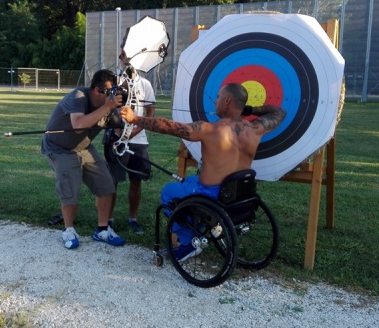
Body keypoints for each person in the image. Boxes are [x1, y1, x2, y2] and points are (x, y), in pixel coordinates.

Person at [119, 82, 286, 259]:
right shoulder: (255, 128)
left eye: (219, 98)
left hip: (211, 196)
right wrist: (250, 109)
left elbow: (167, 126)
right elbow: (279, 113)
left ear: (227, 101)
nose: (215, 102)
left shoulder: (209, 129)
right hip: (237, 195)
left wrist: (135, 119)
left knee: (168, 192)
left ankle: (189, 241)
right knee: (189, 180)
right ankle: (205, 225)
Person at [41, 69, 126, 249]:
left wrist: (127, 118)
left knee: (106, 184)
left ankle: (102, 230)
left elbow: (120, 126)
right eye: (110, 92)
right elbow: (78, 125)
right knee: (70, 187)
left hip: (83, 146)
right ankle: (69, 230)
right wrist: (107, 107)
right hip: (60, 148)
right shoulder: (78, 97)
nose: (113, 96)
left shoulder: (108, 106)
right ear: (97, 90)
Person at [105, 57, 156, 235]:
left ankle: (132, 219)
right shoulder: (114, 81)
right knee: (113, 181)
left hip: (138, 140)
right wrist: (118, 130)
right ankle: (108, 219)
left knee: (136, 181)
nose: (127, 58)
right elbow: (107, 107)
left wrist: (136, 130)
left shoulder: (145, 84)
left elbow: (150, 112)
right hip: (116, 138)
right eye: (124, 54)